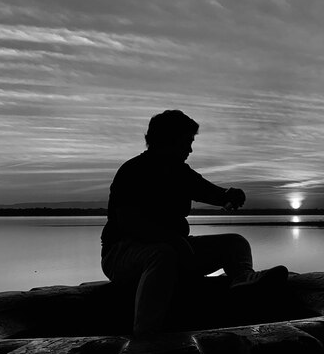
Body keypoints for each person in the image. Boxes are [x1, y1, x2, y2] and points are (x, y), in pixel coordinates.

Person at [100, 109, 288, 338]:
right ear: (167, 140)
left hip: (175, 247)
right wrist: (173, 241)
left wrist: (230, 195)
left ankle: (241, 279)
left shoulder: (181, 173)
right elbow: (130, 223)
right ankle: (145, 335)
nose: (190, 149)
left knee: (235, 244)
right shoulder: (132, 171)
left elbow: (211, 192)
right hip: (121, 253)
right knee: (163, 254)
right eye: (186, 142)